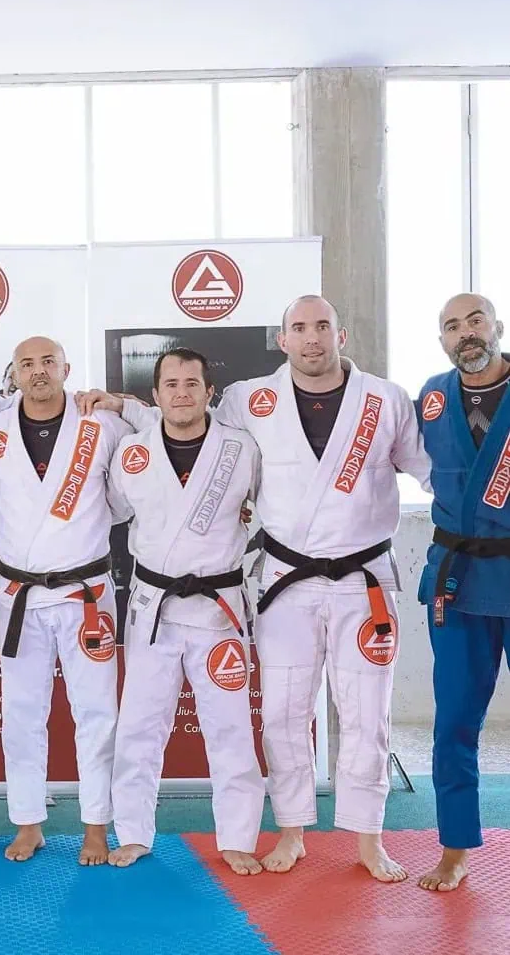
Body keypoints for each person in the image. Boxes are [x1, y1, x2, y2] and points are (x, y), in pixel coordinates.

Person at [85, 295, 427, 881]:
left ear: (341, 335)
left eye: (323, 325)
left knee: (365, 713)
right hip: (275, 584)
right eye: (300, 327)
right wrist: (120, 404)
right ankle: (287, 831)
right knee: (280, 713)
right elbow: (166, 427)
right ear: (283, 339)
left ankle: (366, 837)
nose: (312, 337)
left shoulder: (384, 400)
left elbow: (428, 469)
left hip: (360, 579)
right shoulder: (253, 400)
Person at [104, 349, 266, 874]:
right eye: (170, 383)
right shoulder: (132, 453)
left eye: (191, 383)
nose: (181, 392)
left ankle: (238, 836)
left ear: (208, 392)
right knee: (139, 727)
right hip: (153, 608)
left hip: (220, 610)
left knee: (231, 728)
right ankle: (132, 832)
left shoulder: (241, 449)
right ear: (155, 396)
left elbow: (272, 514)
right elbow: (112, 511)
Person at [0, 336, 127, 863]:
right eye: (27, 364)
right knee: (21, 712)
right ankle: (28, 822)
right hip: (19, 592)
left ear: (67, 368)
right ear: (14, 372)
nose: (38, 371)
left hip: (85, 593)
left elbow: (127, 500)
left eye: (48, 362)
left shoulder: (103, 425)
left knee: (96, 713)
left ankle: (95, 825)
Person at [415, 293, 510, 891]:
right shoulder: (429, 399)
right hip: (458, 580)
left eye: (475, 320)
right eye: (452, 326)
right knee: (453, 720)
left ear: (497, 327)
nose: (465, 333)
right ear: (443, 340)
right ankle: (454, 848)